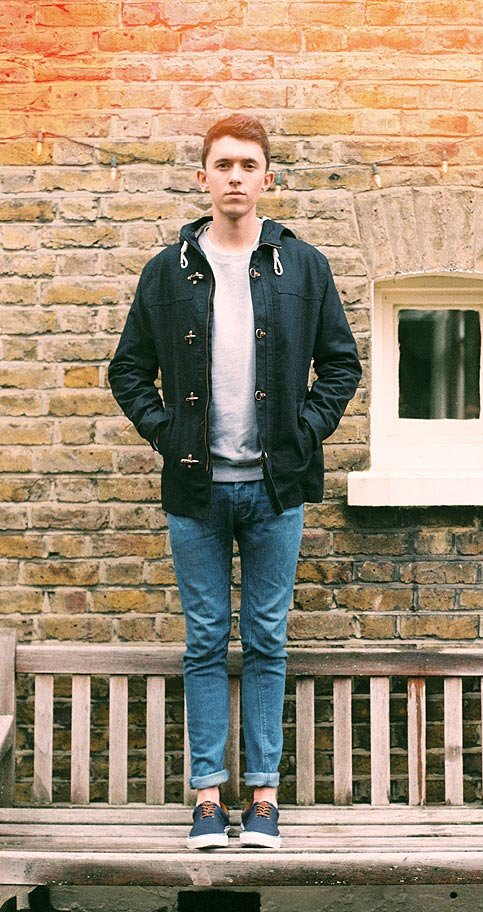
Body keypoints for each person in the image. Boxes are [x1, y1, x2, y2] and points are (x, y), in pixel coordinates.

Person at [108, 114, 361, 851]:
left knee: (267, 639)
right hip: (197, 491)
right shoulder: (168, 271)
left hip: (275, 490)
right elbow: (128, 370)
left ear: (267, 178)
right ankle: (208, 799)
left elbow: (340, 365)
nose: (235, 177)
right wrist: (167, 434)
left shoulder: (303, 266)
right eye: (223, 165)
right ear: (203, 178)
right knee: (205, 640)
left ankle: (264, 800)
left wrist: (303, 431)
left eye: (248, 165)